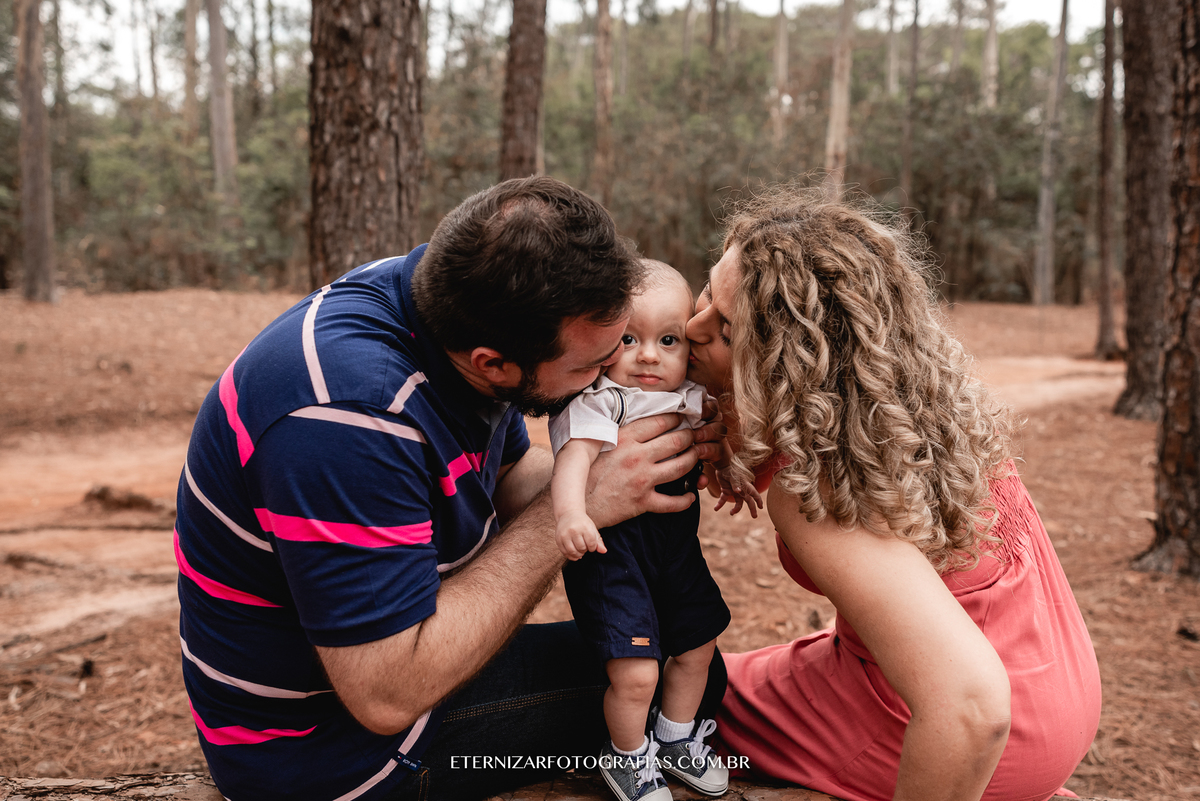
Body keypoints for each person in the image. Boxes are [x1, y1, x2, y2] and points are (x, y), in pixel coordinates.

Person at [175, 176, 725, 801]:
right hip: (325, 750)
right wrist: (583, 506)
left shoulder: (447, 301)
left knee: (676, 650)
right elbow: (385, 697)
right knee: (673, 682)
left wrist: (629, 468)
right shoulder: (350, 419)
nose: (607, 376)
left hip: (374, 668)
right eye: (589, 367)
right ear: (492, 362)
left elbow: (511, 478)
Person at [684, 187, 1102, 801]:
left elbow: (972, 705)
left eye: (724, 328)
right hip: (1055, 692)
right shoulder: (924, 408)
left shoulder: (815, 488)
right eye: (706, 293)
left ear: (784, 363)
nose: (690, 329)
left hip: (964, 729)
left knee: (670, 694)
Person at [548, 261, 756, 801]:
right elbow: (575, 459)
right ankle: (628, 758)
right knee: (637, 673)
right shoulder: (604, 400)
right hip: (613, 553)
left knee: (698, 645)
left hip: (675, 549)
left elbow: (714, 440)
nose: (648, 356)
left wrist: (729, 469)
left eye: (668, 339)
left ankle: (675, 739)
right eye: (629, 339)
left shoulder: (689, 396)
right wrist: (572, 513)